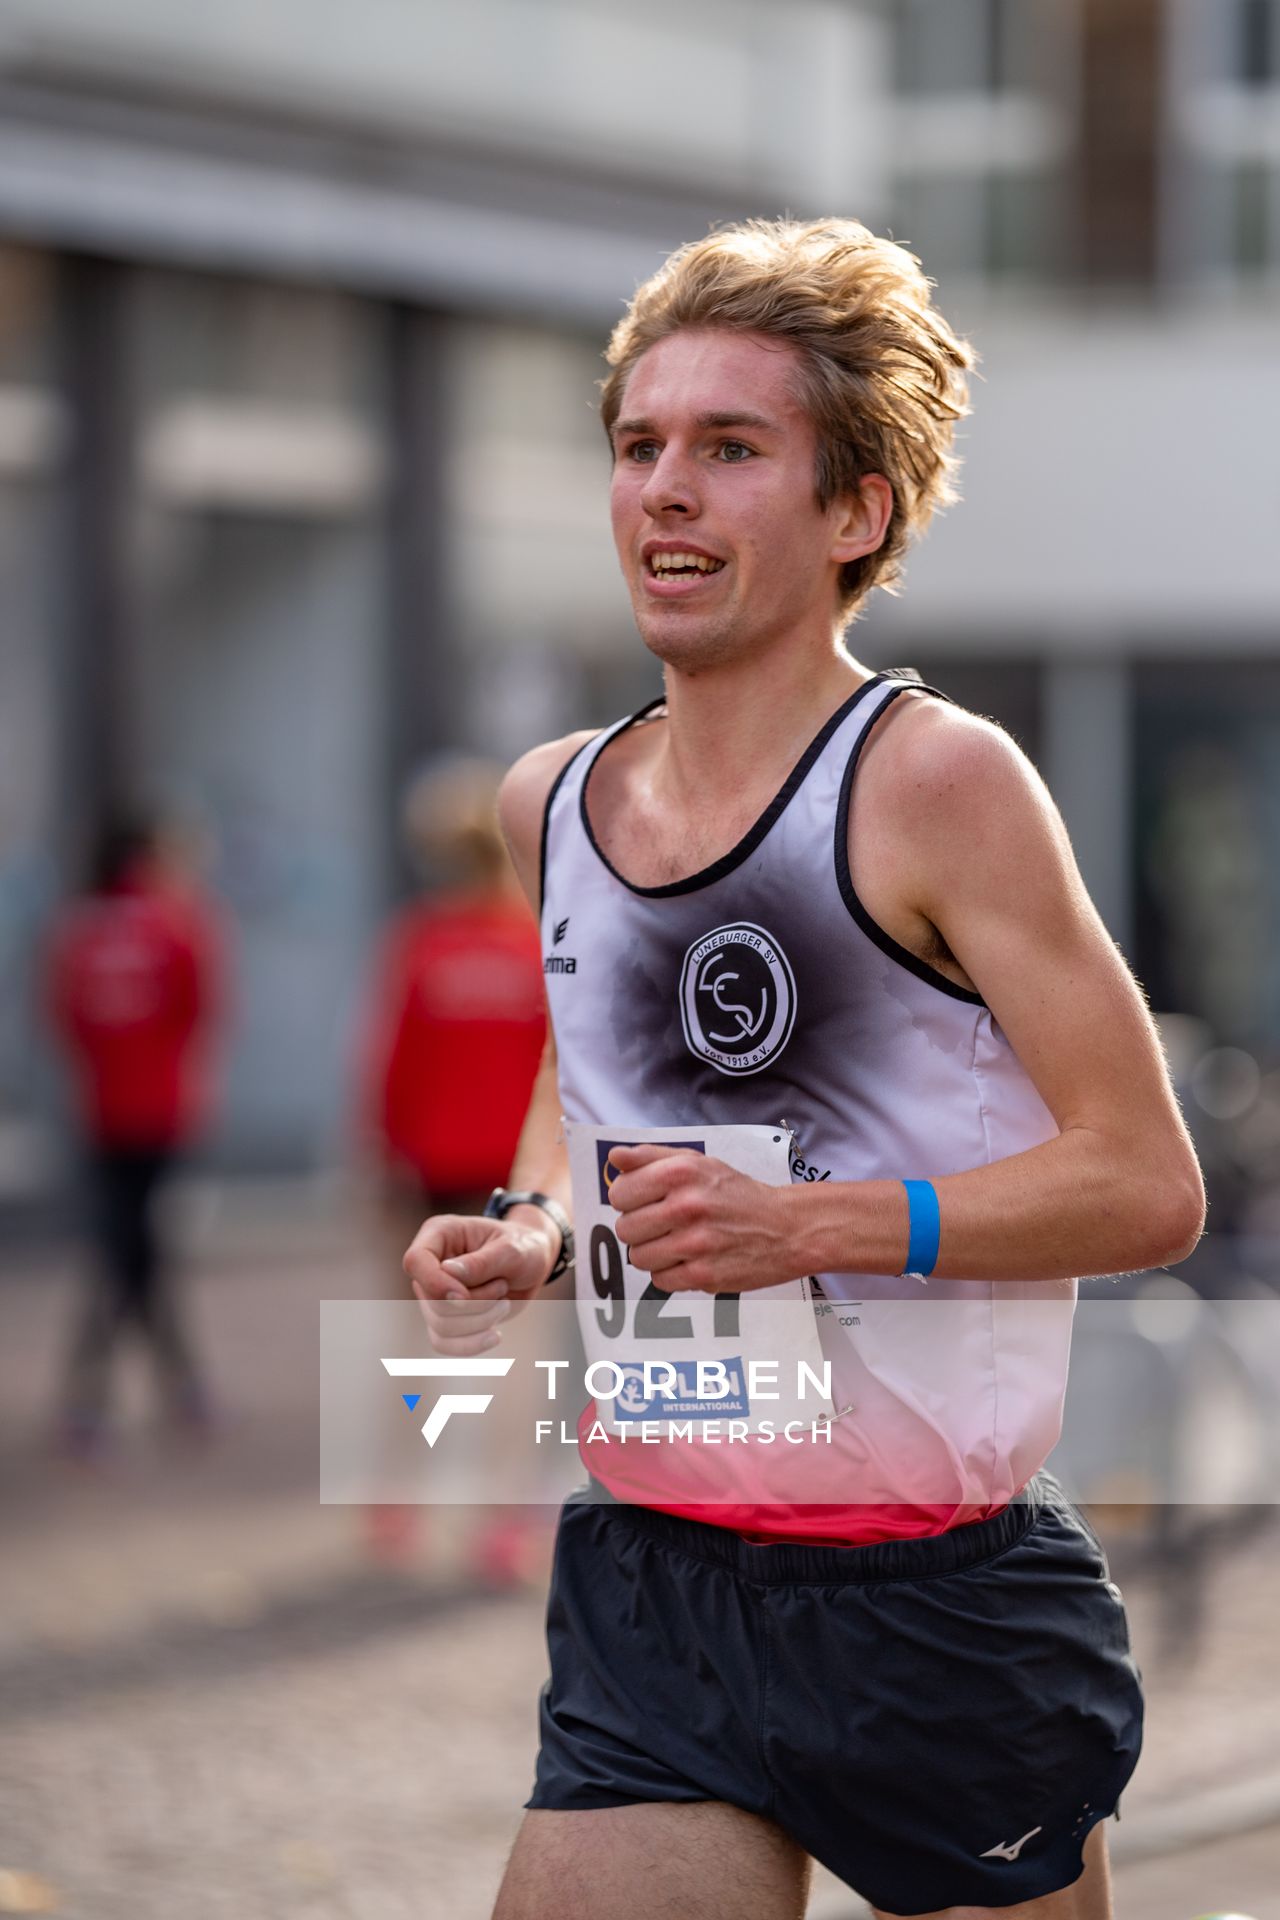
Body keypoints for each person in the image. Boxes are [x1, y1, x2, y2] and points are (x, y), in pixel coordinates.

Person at [406, 220, 1207, 1919]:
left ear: (858, 513)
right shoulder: (551, 801)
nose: (664, 490)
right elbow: (593, 1094)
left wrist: (820, 1225)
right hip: (653, 1584)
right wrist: (538, 1230)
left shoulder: (937, 785)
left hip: (932, 1611)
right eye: (639, 446)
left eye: (730, 448)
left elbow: (1145, 1180)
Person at [356, 756, 547, 1576]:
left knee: (419, 1344)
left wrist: (378, 1165)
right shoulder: (538, 946)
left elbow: (389, 1067)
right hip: (516, 1180)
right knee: (520, 1352)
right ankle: (501, 1522)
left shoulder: (420, 943)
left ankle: (398, 1498)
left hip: (429, 1176)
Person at [47, 814, 227, 1452]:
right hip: (162, 1111)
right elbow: (205, 1008)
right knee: (132, 1250)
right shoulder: (177, 922)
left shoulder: (79, 928)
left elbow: (60, 1015)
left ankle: (164, 1388)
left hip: (100, 1109)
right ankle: (101, 1395)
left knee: (131, 1243)